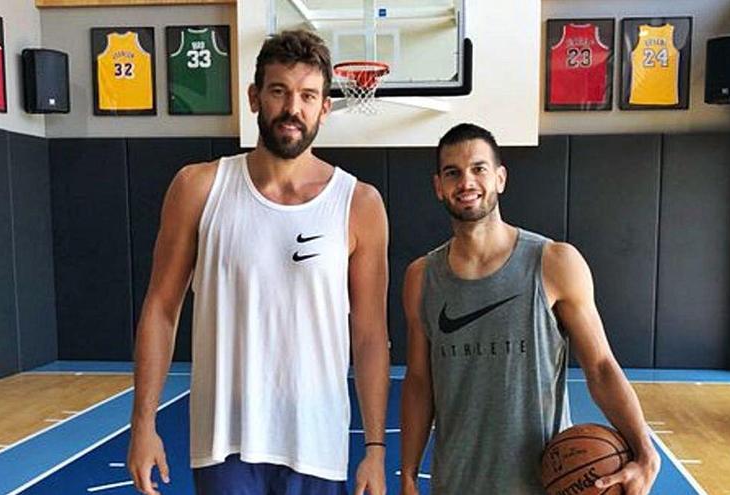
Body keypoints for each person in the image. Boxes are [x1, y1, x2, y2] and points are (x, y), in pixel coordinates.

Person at [127, 30, 390, 495]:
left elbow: (369, 334)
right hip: (226, 441)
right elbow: (161, 308)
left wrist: (374, 447)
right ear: (254, 98)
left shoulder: (359, 204)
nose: (293, 108)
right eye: (279, 91)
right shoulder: (198, 187)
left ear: (325, 108)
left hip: (317, 442)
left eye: (308, 95)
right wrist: (143, 422)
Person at [400, 123, 660, 495]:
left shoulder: (554, 262)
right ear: (438, 186)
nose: (466, 182)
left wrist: (646, 453)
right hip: (454, 484)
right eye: (452, 172)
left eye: (479, 169)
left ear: (500, 178)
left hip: (539, 485)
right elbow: (419, 382)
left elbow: (601, 367)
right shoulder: (421, 277)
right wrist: (408, 474)